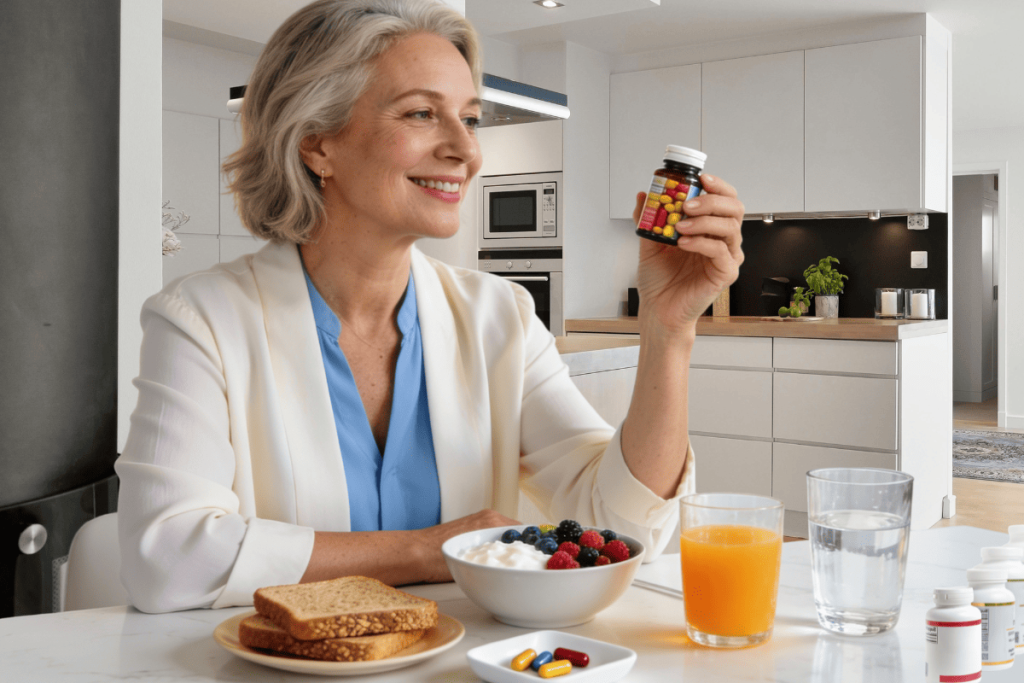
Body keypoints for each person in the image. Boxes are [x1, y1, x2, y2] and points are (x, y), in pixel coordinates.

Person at [115, 0, 744, 614]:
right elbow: (166, 558)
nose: (466, 152)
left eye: (469, 119)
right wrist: (424, 550)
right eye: (421, 114)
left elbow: (620, 522)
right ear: (317, 145)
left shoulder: (501, 317)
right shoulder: (201, 320)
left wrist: (669, 329)